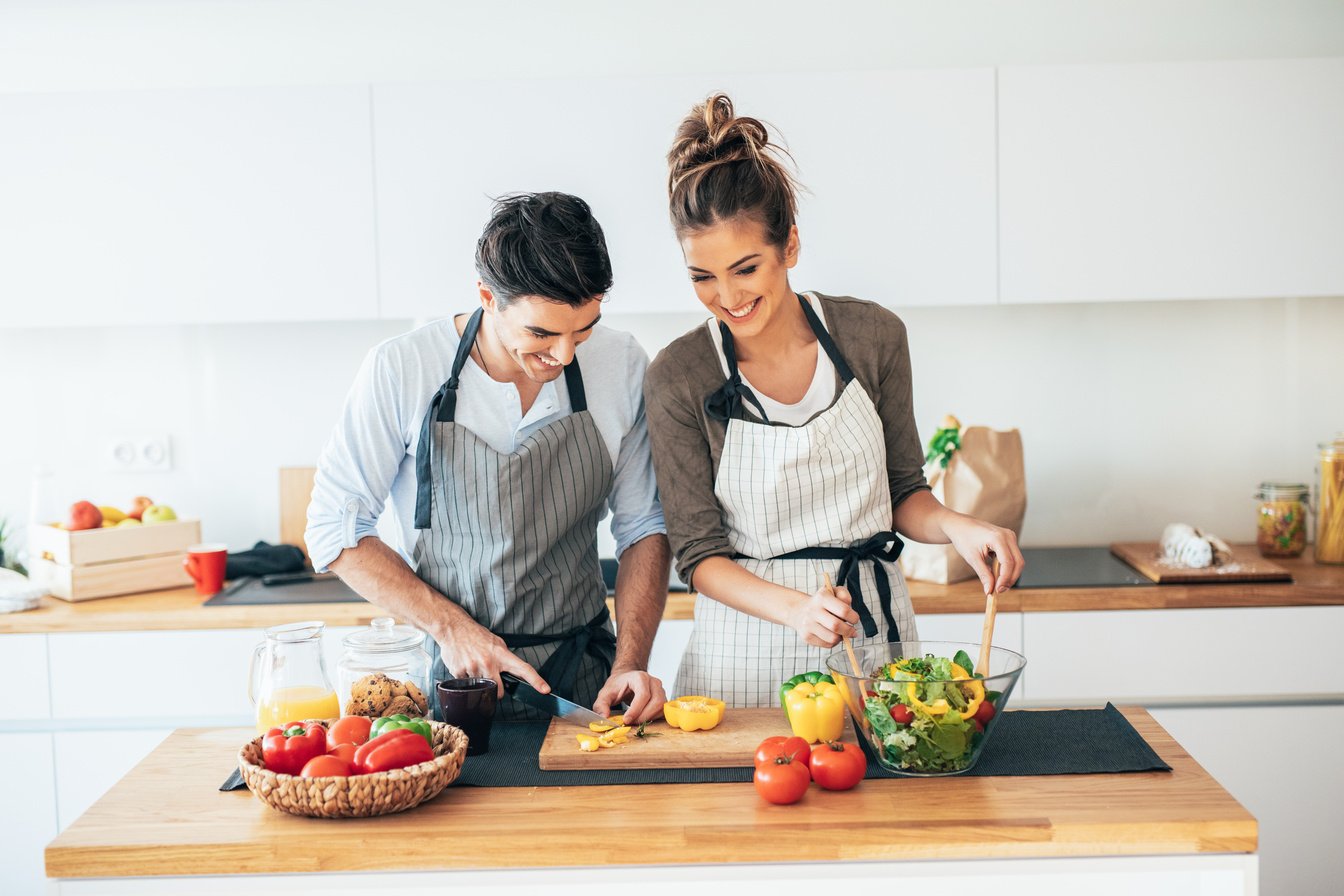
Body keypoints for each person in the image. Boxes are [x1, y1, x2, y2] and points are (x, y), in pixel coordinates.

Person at [643, 95, 1024, 707]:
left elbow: (904, 492)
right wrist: (796, 610)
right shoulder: (678, 376)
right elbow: (698, 557)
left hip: (874, 644)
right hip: (746, 662)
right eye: (702, 277)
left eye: (746, 268)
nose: (727, 296)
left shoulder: (872, 338)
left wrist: (955, 524)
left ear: (789, 246)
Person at [307, 192, 671, 722]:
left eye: (583, 328)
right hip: (453, 683)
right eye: (541, 332)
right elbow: (333, 529)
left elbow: (644, 526)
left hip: (584, 682)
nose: (565, 354)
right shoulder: (402, 367)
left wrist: (630, 662)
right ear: (486, 296)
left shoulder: (621, 362)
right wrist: (451, 628)